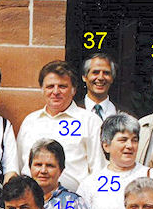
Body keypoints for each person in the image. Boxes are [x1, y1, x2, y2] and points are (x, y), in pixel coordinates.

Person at [77, 113, 153, 209]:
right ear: (106, 146)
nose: (130, 146)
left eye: (134, 140)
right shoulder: (90, 184)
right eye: (123, 140)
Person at [17, 60, 105, 191]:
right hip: (31, 202)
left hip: (74, 204)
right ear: (42, 89)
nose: (56, 92)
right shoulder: (30, 121)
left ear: (73, 90)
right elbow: (19, 165)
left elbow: (99, 169)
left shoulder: (90, 121)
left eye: (62, 86)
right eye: (50, 86)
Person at [79, 53, 121, 120]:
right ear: (84, 77)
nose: (101, 77)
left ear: (112, 78)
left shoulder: (125, 115)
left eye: (106, 73)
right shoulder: (71, 112)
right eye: (95, 72)